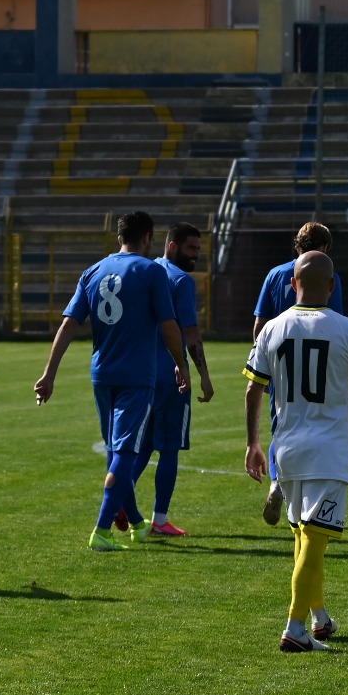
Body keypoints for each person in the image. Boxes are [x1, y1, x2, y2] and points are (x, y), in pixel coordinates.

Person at [244, 251, 348, 652]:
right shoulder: (347, 327)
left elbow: (253, 387)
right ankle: (295, 628)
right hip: (327, 451)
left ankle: (318, 617)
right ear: (332, 286)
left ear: (293, 284)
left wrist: (253, 442)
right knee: (315, 542)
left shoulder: (272, 328)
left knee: (303, 538)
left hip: (287, 449)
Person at [35, 211, 190, 552]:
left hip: (101, 374)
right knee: (124, 450)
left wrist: (49, 373)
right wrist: (181, 364)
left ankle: (135, 522)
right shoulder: (151, 271)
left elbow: (68, 325)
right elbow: (168, 325)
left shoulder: (93, 270)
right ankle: (102, 530)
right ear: (148, 238)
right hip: (138, 376)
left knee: (115, 449)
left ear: (120, 237)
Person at [253, 222, 344, 526]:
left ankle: (279, 481)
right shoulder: (329, 276)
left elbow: (259, 324)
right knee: (318, 426)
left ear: (297, 245)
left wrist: (261, 361)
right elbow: (335, 322)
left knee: (281, 424)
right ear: (326, 248)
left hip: (280, 361)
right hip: (318, 365)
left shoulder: (274, 275)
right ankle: (308, 495)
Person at [129, 223, 215, 537]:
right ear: (173, 245)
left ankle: (121, 503)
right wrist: (203, 375)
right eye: (192, 249)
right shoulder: (181, 281)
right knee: (170, 448)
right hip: (171, 377)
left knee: (145, 444)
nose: (197, 256)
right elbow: (189, 333)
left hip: (142, 374)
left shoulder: (145, 272)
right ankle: (159, 519)